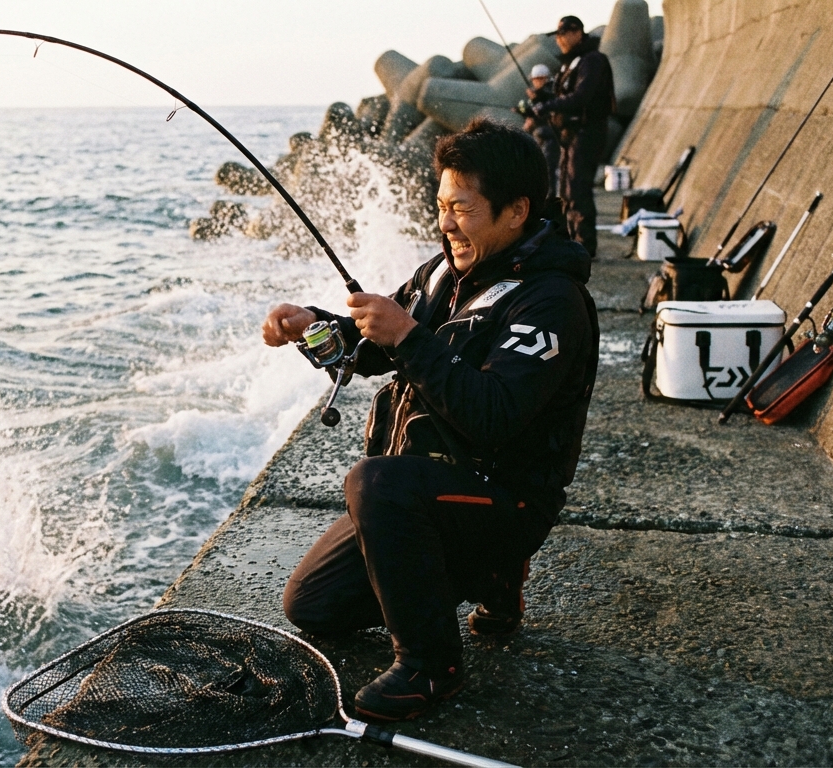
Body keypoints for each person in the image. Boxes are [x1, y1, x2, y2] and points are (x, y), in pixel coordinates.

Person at [261, 119, 598, 722]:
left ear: (516, 210)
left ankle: (431, 665)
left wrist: (409, 337)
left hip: (508, 501)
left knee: (373, 482)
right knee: (310, 606)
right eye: (440, 207)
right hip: (435, 491)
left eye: (462, 210)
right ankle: (486, 578)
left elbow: (492, 415)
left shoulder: (552, 301)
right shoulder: (441, 273)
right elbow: (373, 345)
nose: (446, 224)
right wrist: (309, 326)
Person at [533, 15, 615, 257]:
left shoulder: (592, 60)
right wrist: (542, 100)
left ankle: (585, 248)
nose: (558, 40)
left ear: (577, 33)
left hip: (586, 132)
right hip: (570, 136)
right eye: (557, 35)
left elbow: (581, 97)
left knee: (578, 191)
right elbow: (564, 95)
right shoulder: (572, 63)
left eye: (562, 34)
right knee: (567, 192)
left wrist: (548, 107)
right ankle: (572, 243)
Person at [518, 64, 559, 217]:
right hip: (541, 136)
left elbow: (548, 105)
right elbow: (535, 112)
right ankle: (544, 200)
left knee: (549, 168)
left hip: (551, 136)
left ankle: (550, 201)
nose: (535, 83)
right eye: (534, 80)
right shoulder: (539, 95)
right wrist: (522, 110)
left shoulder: (550, 91)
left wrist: (536, 99)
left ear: (544, 78)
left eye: (537, 79)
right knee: (542, 168)